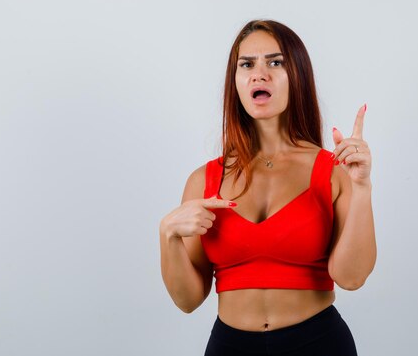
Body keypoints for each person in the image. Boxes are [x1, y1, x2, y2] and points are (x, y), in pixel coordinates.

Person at [158, 19, 377, 356]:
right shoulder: (203, 180)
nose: (259, 74)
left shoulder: (335, 171)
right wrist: (167, 234)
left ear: (298, 76)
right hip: (230, 347)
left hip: (318, 344)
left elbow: (351, 278)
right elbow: (187, 301)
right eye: (247, 64)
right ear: (236, 82)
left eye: (275, 62)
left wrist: (361, 188)